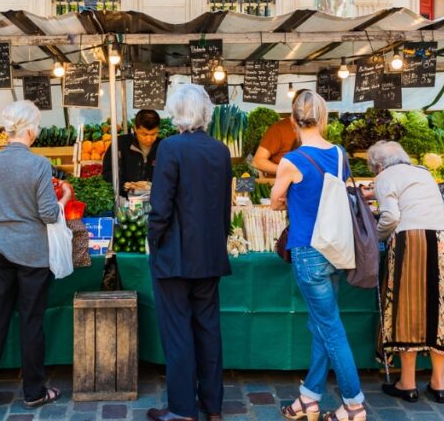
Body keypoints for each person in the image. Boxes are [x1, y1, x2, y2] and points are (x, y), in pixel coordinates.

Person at [270, 90, 365, 421]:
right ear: (323, 119)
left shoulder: (291, 160)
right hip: (336, 249)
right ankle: (308, 398)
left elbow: (274, 199)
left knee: (330, 328)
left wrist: (288, 198)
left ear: (293, 121)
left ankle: (354, 404)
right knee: (322, 325)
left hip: (308, 253)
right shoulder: (339, 154)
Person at [0, 100, 72, 411]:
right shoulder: (38, 164)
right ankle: (34, 392)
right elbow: (47, 213)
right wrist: (66, 196)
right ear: (30, 130)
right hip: (32, 253)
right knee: (31, 322)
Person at [147, 85, 232, 421]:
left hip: (174, 257)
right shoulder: (220, 150)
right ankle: (213, 406)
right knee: (208, 330)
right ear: (205, 112)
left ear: (175, 112)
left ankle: (182, 409)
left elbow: (160, 206)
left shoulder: (170, 147)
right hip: (210, 254)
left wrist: (154, 241)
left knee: (178, 332)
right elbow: (224, 207)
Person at [368, 141, 444, 405]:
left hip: (410, 240)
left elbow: (390, 217)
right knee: (441, 308)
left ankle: (408, 383)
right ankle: (439, 383)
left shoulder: (384, 177)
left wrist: (374, 238)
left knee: (408, 308)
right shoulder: (423, 172)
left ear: (378, 165)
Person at [102, 109, 163, 197]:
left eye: (154, 134)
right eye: (144, 134)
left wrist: (152, 186)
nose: (149, 139)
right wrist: (124, 185)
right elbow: (107, 173)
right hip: (124, 199)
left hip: (156, 199)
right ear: (135, 128)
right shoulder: (119, 143)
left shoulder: (164, 146)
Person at [251, 90, 309, 176]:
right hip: (280, 184)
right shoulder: (278, 129)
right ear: (293, 106)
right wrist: (288, 171)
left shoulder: (313, 129)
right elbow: (257, 162)